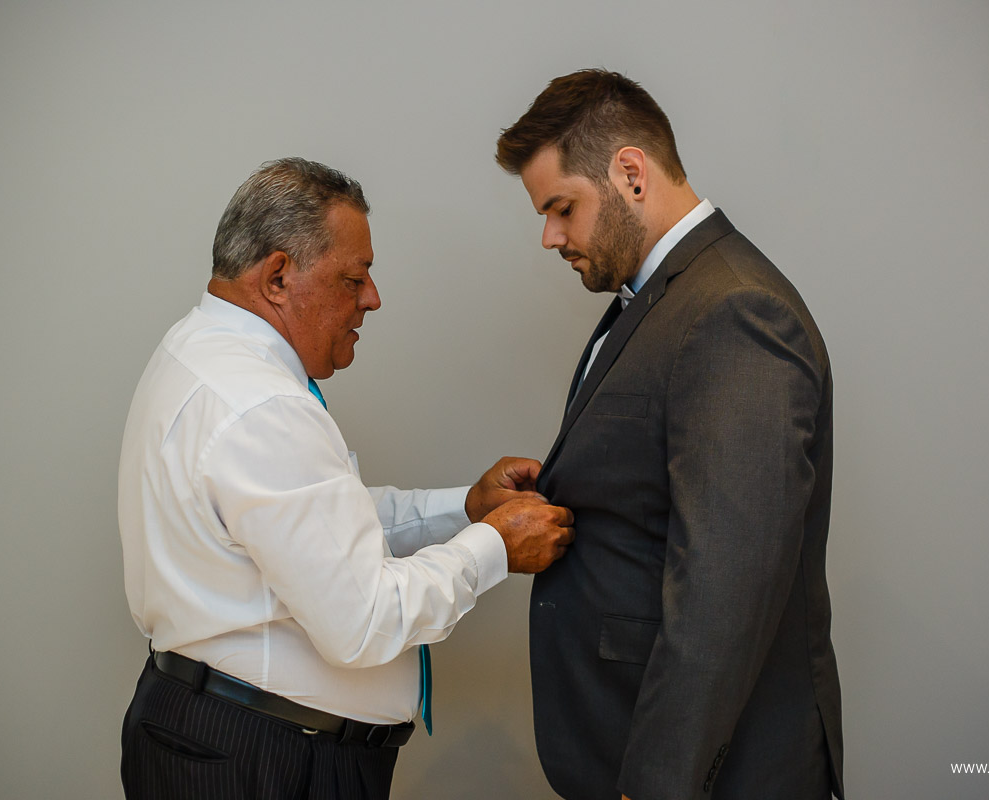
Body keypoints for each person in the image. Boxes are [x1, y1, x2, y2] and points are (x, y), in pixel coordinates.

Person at [117, 157, 574, 800]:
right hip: (265, 765)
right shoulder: (262, 406)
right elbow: (363, 622)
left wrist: (467, 509)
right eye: (354, 278)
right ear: (278, 276)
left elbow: (312, 527)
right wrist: (495, 546)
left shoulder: (199, 350)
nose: (372, 297)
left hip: (219, 740)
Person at [495, 70, 843, 800]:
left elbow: (726, 591)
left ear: (630, 172)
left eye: (562, 208)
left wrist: (656, 784)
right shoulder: (668, 296)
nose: (550, 237)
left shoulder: (734, 311)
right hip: (623, 738)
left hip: (708, 775)